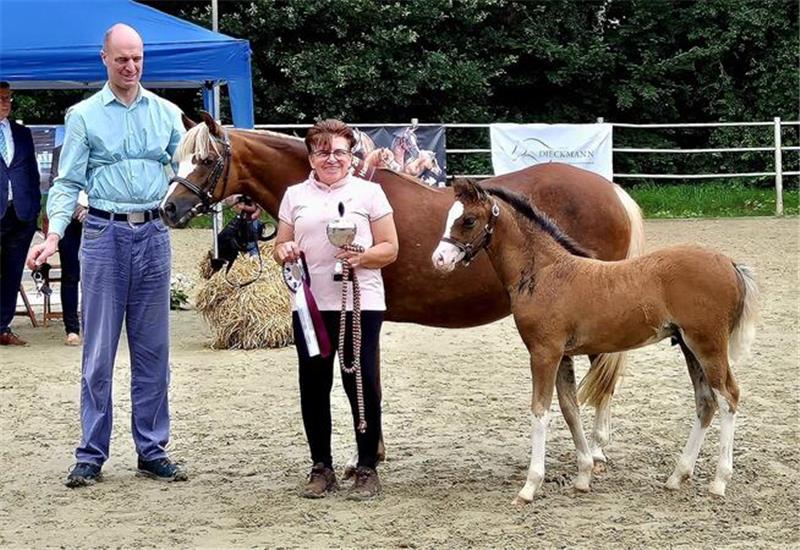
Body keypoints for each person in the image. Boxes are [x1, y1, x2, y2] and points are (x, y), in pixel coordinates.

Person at [26, 23, 187, 488]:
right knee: (97, 352)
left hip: (154, 235)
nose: (131, 66)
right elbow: (67, 183)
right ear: (104, 60)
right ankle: (91, 453)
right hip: (102, 235)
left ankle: (152, 450)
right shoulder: (82, 116)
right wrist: (54, 235)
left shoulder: (167, 114)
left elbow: (187, 171)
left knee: (153, 351)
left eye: (137, 58)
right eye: (121, 59)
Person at [273, 119, 399, 500]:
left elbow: (390, 248)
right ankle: (320, 466)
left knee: (359, 383)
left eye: (340, 152)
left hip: (361, 302)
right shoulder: (294, 195)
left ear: (351, 155)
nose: (332, 158)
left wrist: (361, 258)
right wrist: (286, 251)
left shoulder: (370, 193)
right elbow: (281, 244)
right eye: (323, 152)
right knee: (313, 384)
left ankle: (366, 467)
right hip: (311, 303)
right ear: (311, 157)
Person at [0, 82, 40, 346]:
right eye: (1, 98)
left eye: (8, 98)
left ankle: (3, 326)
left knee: (12, 272)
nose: (6, 102)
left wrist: (36, 207)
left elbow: (32, 172)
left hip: (21, 213)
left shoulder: (22, 133)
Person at [47, 144, 85, 346]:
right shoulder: (59, 151)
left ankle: (94, 322)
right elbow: (57, 183)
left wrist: (90, 206)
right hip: (69, 217)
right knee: (70, 273)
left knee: (98, 274)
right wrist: (76, 206)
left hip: (98, 215)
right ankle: (72, 328)